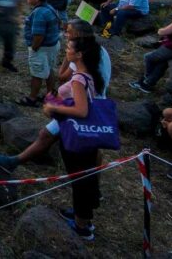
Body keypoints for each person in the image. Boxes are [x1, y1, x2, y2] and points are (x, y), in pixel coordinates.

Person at [0, 19, 111, 174]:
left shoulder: (80, 56)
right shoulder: (100, 51)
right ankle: (14, 162)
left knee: (49, 136)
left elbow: (62, 76)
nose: (66, 34)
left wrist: (68, 55)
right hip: (97, 104)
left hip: (80, 107)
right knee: (88, 145)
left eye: (69, 31)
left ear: (78, 35)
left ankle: (13, 162)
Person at [41, 36, 108, 239]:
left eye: (69, 47)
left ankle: (82, 226)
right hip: (87, 135)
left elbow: (81, 109)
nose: (66, 50)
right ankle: (83, 216)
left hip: (77, 136)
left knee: (79, 179)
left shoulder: (79, 79)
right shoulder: (90, 75)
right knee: (84, 177)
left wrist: (53, 107)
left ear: (79, 54)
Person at [18, 0, 62, 108]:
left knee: (37, 74)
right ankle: (50, 96)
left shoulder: (39, 13)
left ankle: (32, 98)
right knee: (49, 70)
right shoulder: (49, 7)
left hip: (41, 48)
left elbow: (38, 35)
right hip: (52, 45)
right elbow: (59, 23)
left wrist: (34, 48)